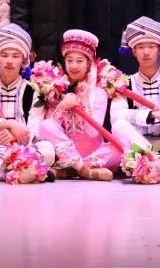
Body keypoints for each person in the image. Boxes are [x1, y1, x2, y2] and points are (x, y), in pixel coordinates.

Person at [33, 30, 125, 181]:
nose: (74, 66)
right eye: (69, 60)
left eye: (79, 61)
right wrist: (61, 107)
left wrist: (84, 100)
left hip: (94, 153)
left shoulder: (99, 92)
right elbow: (49, 131)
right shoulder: (55, 89)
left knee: (118, 149)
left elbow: (93, 133)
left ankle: (71, 170)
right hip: (64, 154)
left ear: (89, 63)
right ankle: (83, 170)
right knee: (45, 125)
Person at [0, 23, 56, 181]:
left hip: (24, 149)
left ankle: (2, 170)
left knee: (48, 149)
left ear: (23, 60)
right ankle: (22, 170)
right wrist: (10, 125)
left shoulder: (34, 89)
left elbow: (34, 128)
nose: (9, 61)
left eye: (15, 56)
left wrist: (16, 135)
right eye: (4, 55)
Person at [109, 18, 160, 163]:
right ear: (134, 51)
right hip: (139, 145)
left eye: (151, 46)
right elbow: (115, 116)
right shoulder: (125, 84)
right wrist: (151, 115)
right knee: (118, 125)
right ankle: (150, 158)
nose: (146, 52)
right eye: (140, 47)